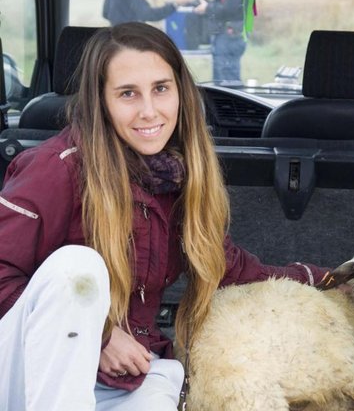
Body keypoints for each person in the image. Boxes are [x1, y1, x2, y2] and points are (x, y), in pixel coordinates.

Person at [0, 22, 327, 410]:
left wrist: (330, 279)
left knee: (161, 389)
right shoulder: (56, 168)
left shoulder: (176, 174)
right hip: (29, 365)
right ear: (101, 101)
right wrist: (100, 334)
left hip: (125, 372)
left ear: (180, 92)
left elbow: (229, 267)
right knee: (78, 268)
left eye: (160, 88)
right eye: (127, 94)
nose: (149, 111)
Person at [193, 0, 247, 84]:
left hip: (229, 34)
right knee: (222, 75)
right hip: (227, 34)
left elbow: (230, 9)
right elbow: (223, 4)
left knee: (227, 77)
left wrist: (207, 7)